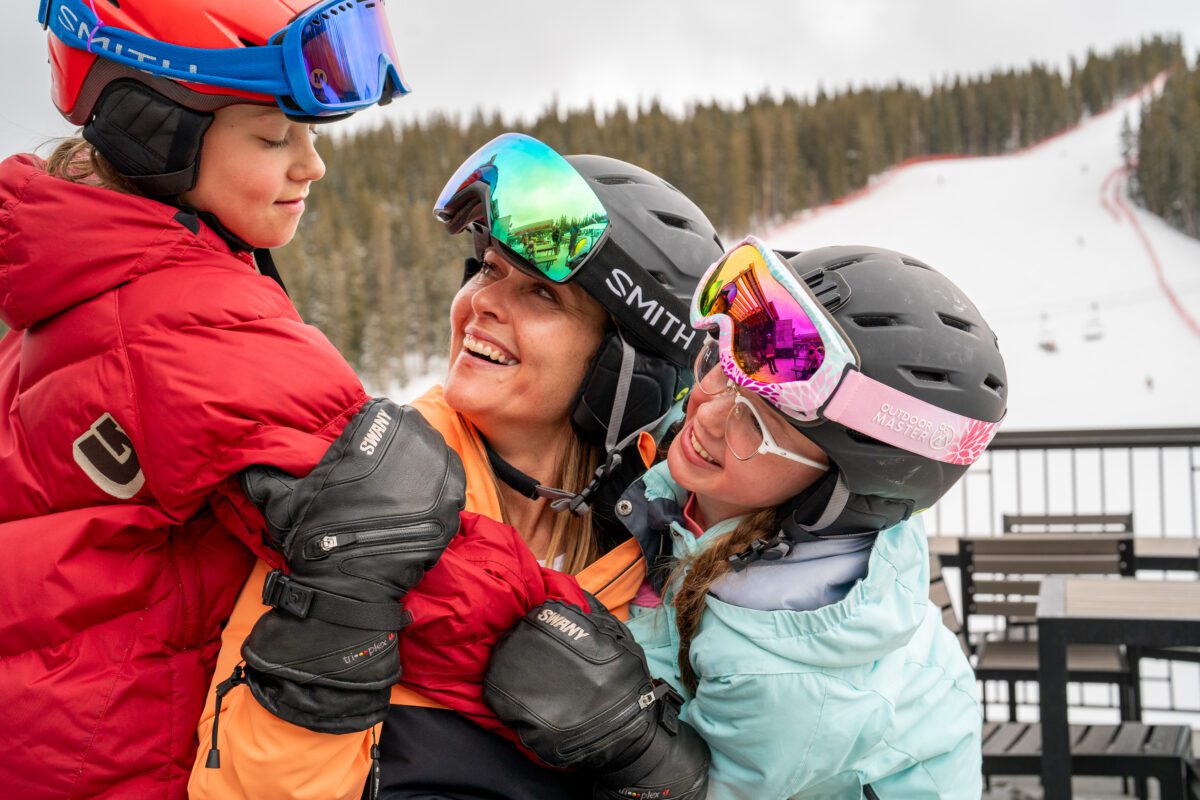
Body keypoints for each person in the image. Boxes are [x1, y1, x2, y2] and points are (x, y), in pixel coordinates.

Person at [189, 133, 727, 799]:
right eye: (488, 269)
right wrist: (333, 625)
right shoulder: (363, 495)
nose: (483, 302)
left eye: (541, 293)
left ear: (625, 373)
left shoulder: (666, 559)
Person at [0, 1, 412, 797]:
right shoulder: (194, 322)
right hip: (124, 767)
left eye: (310, 134)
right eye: (271, 136)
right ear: (154, 131)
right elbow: (414, 553)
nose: (311, 164)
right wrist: (607, 701)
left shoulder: (74, 279)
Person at [485, 238, 1007, 798]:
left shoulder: (785, 678)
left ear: (841, 486)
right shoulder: (725, 493)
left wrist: (630, 741)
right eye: (721, 368)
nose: (704, 413)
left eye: (754, 424)